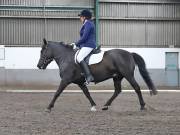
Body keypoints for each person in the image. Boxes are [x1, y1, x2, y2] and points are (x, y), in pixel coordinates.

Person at [71, 9, 96, 85]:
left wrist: (76, 44)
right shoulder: (86, 24)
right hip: (85, 45)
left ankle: (89, 76)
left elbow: (84, 37)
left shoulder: (88, 24)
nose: (80, 18)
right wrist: (76, 44)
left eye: (81, 17)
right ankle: (82, 73)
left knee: (79, 58)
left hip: (89, 45)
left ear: (84, 17)